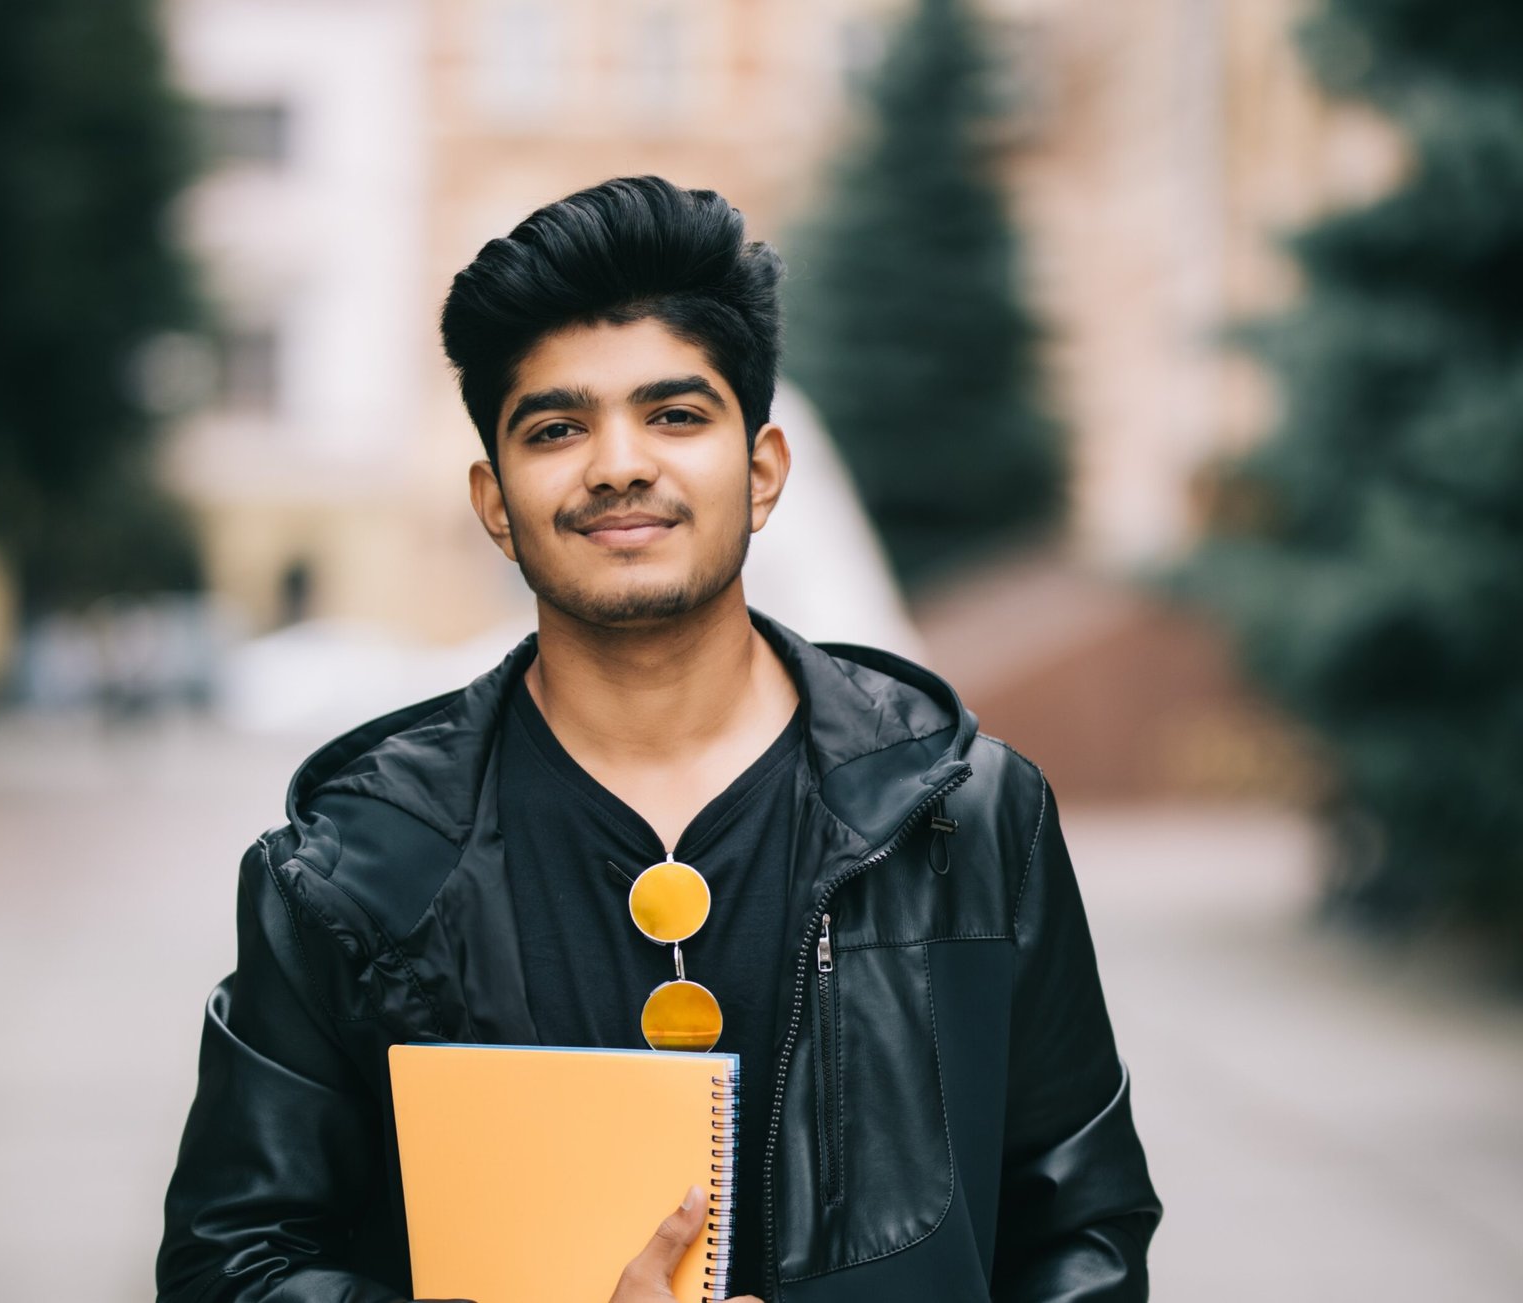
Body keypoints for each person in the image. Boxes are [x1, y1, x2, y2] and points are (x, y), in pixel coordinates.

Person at [158, 175, 1161, 1303]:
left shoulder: (962, 813)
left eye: (676, 415)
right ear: (494, 501)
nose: (619, 463)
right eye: (557, 427)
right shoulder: (353, 858)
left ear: (763, 470)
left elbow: (1084, 1231)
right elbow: (231, 1266)